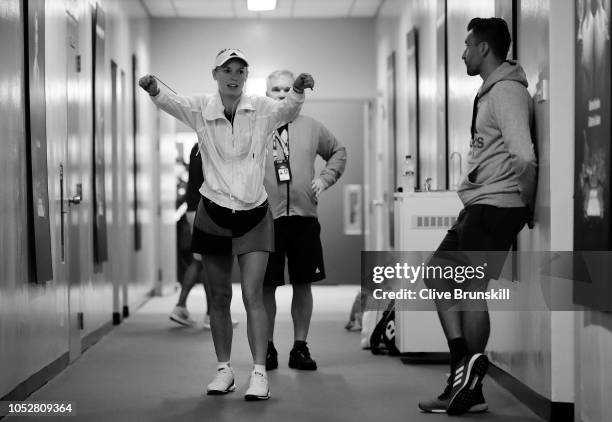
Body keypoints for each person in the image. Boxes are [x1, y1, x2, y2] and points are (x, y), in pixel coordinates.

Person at [139, 48, 314, 401]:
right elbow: (171, 102)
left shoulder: (262, 109)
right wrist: (154, 88)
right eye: (227, 70)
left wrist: (297, 90)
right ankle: (223, 370)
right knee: (218, 297)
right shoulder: (202, 108)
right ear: (215, 73)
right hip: (214, 212)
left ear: (246, 76)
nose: (234, 76)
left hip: (254, 213)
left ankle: (260, 374)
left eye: (240, 70)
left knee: (253, 296)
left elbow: (288, 110)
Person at [417, 18, 536, 415]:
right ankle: (465, 372)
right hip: (479, 205)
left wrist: (528, 204)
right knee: (438, 275)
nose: (464, 52)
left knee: (469, 291)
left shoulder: (506, 92)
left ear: (485, 48)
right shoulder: (490, 92)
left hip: (496, 205)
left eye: (468, 45)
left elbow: (523, 154)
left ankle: (469, 378)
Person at [261, 70, 346, 371]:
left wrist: (325, 178)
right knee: (265, 286)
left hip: (303, 219)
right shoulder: (259, 126)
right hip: (266, 219)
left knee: (303, 282)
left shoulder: (311, 127)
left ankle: (300, 347)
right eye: (275, 89)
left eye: (287, 88)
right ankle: (266, 348)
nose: (282, 94)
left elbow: (338, 152)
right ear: (266, 93)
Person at [169, 143, 238, 329]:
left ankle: (186, 307)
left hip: (195, 208)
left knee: (201, 260)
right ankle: (207, 313)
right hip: (203, 209)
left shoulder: (197, 146)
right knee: (207, 261)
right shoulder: (209, 146)